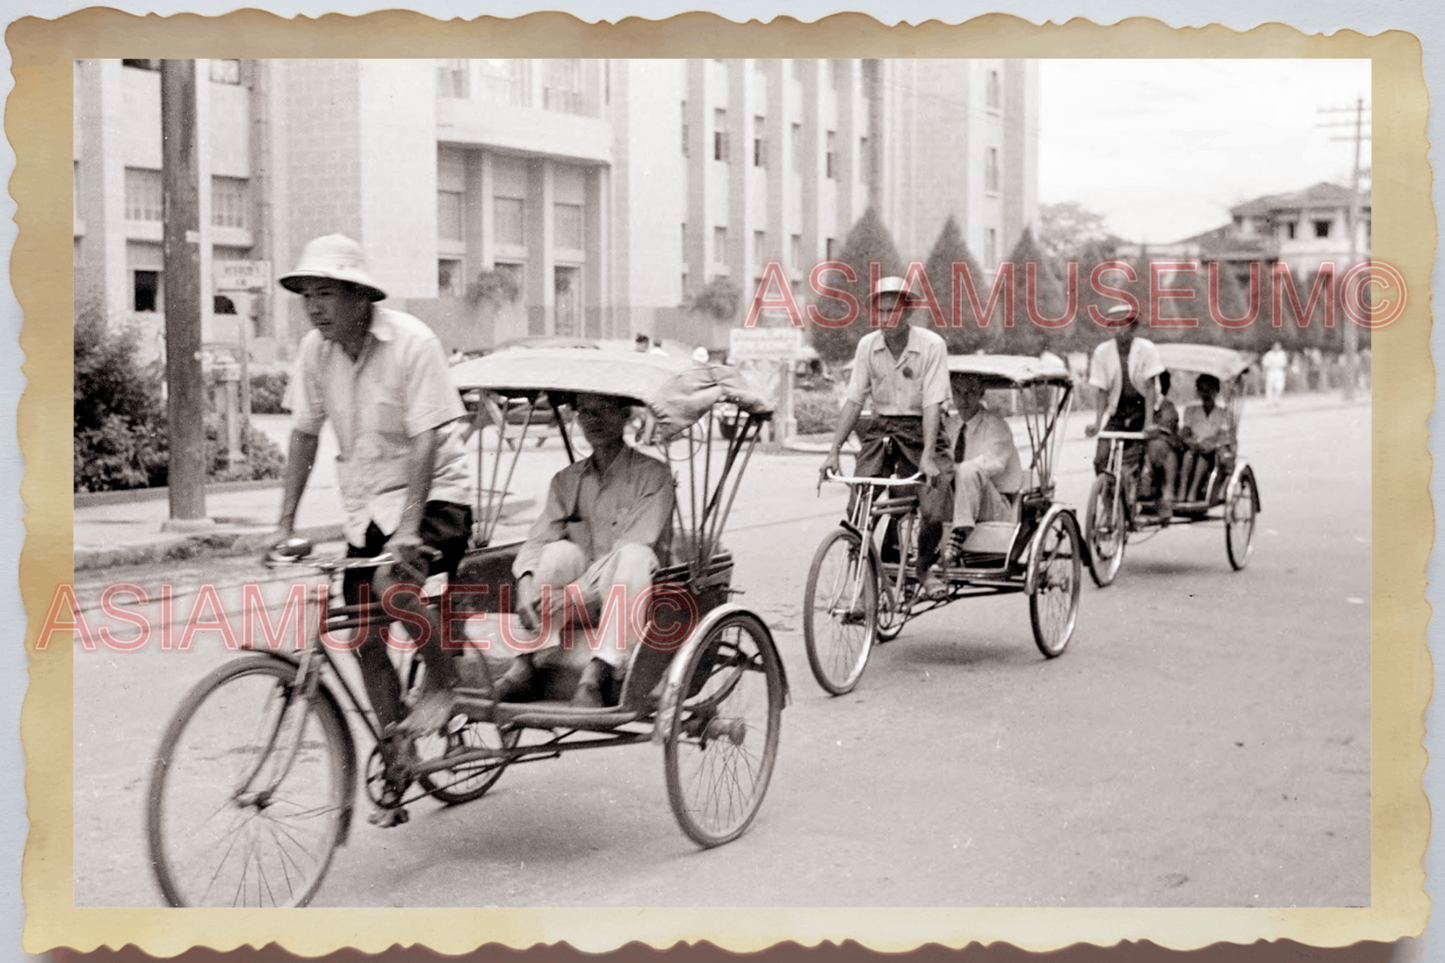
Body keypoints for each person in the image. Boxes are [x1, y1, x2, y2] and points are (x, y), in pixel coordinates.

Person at [269, 234, 474, 825]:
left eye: (327, 293)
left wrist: (409, 527)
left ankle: (441, 681)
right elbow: (305, 434)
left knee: (393, 586)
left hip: (437, 497)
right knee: (361, 637)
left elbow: (427, 437)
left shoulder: (413, 343)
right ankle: (399, 754)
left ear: (361, 297)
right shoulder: (315, 352)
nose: (314, 306)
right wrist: (283, 524)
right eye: (307, 294)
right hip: (367, 512)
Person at [490, 392, 676, 708]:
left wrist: (576, 593)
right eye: (586, 412)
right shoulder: (566, 480)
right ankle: (526, 662)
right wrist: (524, 586)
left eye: (604, 410)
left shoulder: (653, 475)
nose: (594, 420)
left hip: (634, 599)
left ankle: (596, 674)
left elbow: (632, 546)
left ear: (626, 415)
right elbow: (538, 539)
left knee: (634, 556)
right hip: (576, 604)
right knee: (557, 552)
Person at [820, 276, 951, 600]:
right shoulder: (868, 345)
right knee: (858, 508)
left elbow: (933, 402)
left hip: (923, 430)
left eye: (893, 311)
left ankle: (922, 568)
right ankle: (867, 583)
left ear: (907, 313)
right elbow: (854, 400)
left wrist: (928, 455)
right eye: (880, 312)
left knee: (932, 511)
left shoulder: (931, 345)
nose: (886, 318)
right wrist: (833, 451)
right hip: (882, 431)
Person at [1085, 302, 1163, 496]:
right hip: (1119, 409)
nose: (1120, 330)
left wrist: (1148, 423)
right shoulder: (1102, 352)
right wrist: (1097, 423)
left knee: (1153, 453)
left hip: (1146, 407)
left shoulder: (1146, 349)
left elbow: (1150, 387)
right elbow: (1102, 390)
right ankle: (1108, 498)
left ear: (1133, 326)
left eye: (1124, 325)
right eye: (1115, 326)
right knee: (1101, 457)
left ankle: (1159, 496)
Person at [945, 372, 1022, 562]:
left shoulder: (996, 426)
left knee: (969, 470)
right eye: (957, 392)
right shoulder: (947, 425)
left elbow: (992, 463)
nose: (963, 399)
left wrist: (953, 469)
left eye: (970, 392)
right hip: (954, 500)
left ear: (981, 393)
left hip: (993, 504)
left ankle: (958, 535)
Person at [1179, 373, 1232, 502]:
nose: (1206, 393)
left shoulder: (1223, 413)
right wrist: (1192, 442)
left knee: (1204, 457)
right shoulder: (1191, 410)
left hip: (1212, 451)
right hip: (1193, 447)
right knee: (1188, 456)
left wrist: (1210, 444)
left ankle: (1193, 491)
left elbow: (1223, 436)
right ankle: (1182, 490)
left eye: (1210, 389)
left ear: (1216, 391)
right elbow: (1184, 433)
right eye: (1202, 390)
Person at [1141, 369, 1181, 524]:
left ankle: (1166, 492)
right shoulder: (1138, 402)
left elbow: (1169, 426)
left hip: (1166, 445)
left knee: (1159, 446)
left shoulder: (1167, 406)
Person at [1262, 341, 1288, 407]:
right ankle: (1269, 402)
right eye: (1276, 346)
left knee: (1279, 387)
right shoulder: (1269, 354)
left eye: (1278, 346)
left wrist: (1285, 373)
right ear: (1273, 346)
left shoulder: (1282, 354)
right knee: (1269, 387)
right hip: (1271, 371)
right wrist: (1264, 373)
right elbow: (1265, 364)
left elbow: (1285, 364)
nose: (1277, 347)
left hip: (1279, 371)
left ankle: (1277, 401)